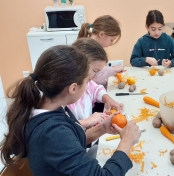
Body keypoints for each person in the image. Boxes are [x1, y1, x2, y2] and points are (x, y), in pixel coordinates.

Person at [0, 45, 141, 176]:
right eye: (87, 82)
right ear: (73, 88)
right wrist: (126, 143)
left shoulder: (51, 106)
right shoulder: (52, 132)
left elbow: (71, 142)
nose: (88, 86)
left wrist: (103, 128)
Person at [68, 38, 123, 128]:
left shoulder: (86, 82)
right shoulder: (66, 94)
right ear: (79, 65)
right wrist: (87, 121)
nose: (96, 76)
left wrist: (108, 100)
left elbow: (95, 89)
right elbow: (63, 126)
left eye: (99, 72)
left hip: (87, 133)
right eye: (95, 71)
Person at [78, 15, 123, 89]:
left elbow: (98, 70)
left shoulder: (92, 45)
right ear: (101, 34)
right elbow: (95, 77)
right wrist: (112, 70)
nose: (111, 43)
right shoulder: (87, 50)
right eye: (111, 40)